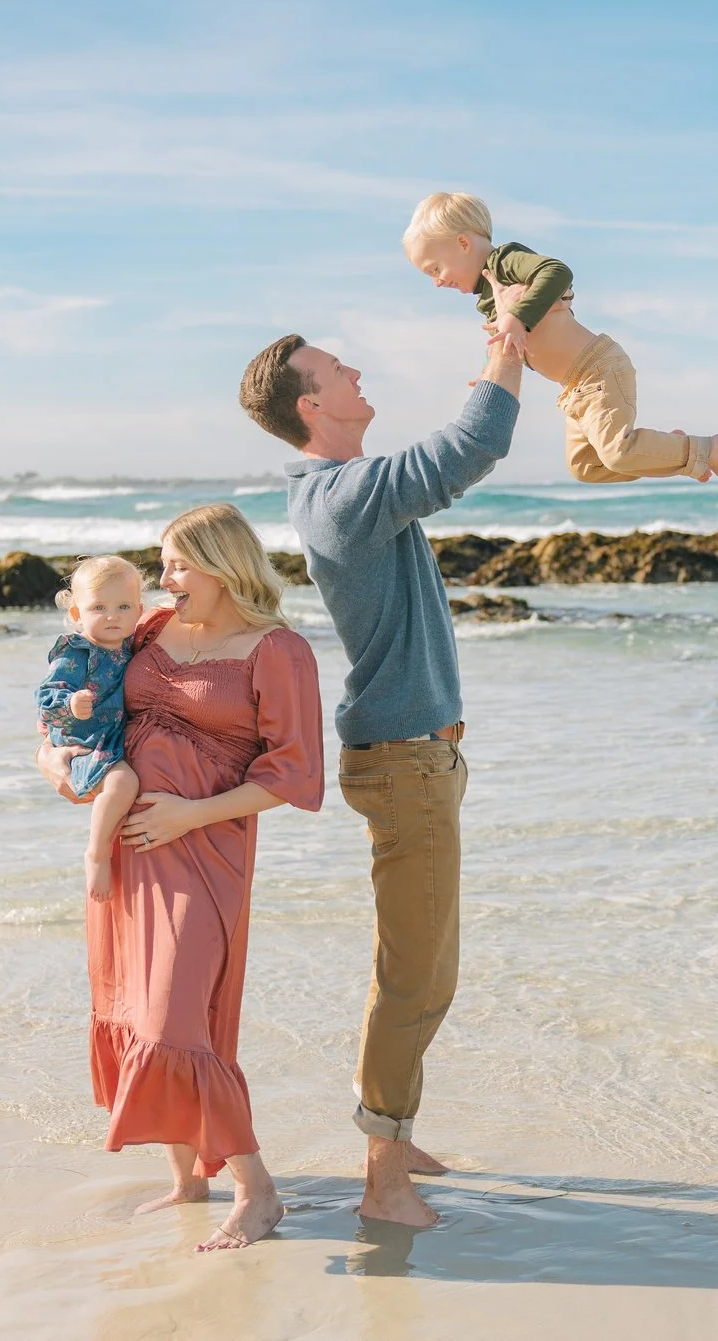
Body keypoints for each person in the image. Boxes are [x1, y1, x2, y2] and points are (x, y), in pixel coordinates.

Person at [237, 326, 519, 1228]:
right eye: (336, 369)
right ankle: (383, 1182)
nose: (356, 369)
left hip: (415, 756)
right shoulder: (341, 498)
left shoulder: (346, 494)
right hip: (405, 760)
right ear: (311, 404)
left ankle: (392, 1133)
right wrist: (508, 346)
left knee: (416, 967)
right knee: (418, 979)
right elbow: (470, 446)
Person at [36, 504, 324, 1251]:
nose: (163, 580)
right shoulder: (150, 630)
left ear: (223, 564)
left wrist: (190, 815)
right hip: (127, 850)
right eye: (163, 565)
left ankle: (258, 1192)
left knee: (175, 1021)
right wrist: (53, 759)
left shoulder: (278, 650)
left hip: (204, 851)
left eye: (177, 565)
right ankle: (189, 1179)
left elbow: (294, 774)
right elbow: (74, 703)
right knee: (138, 1011)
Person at [401, 190, 718, 498]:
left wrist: (517, 317)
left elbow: (557, 272)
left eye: (435, 269)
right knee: (586, 467)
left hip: (597, 369)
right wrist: (488, 371)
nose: (436, 282)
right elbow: (504, 336)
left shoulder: (504, 262)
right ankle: (673, 451)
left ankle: (710, 449)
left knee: (616, 453)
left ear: (463, 244)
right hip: (573, 388)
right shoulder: (488, 297)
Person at [35, 554, 144, 901]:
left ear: (139, 611)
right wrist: (70, 704)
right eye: (99, 607)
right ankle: (96, 853)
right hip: (82, 740)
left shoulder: (131, 647)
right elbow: (46, 698)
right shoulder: (77, 652)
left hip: (109, 736)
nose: (113, 616)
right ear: (77, 614)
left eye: (124, 606)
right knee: (123, 782)